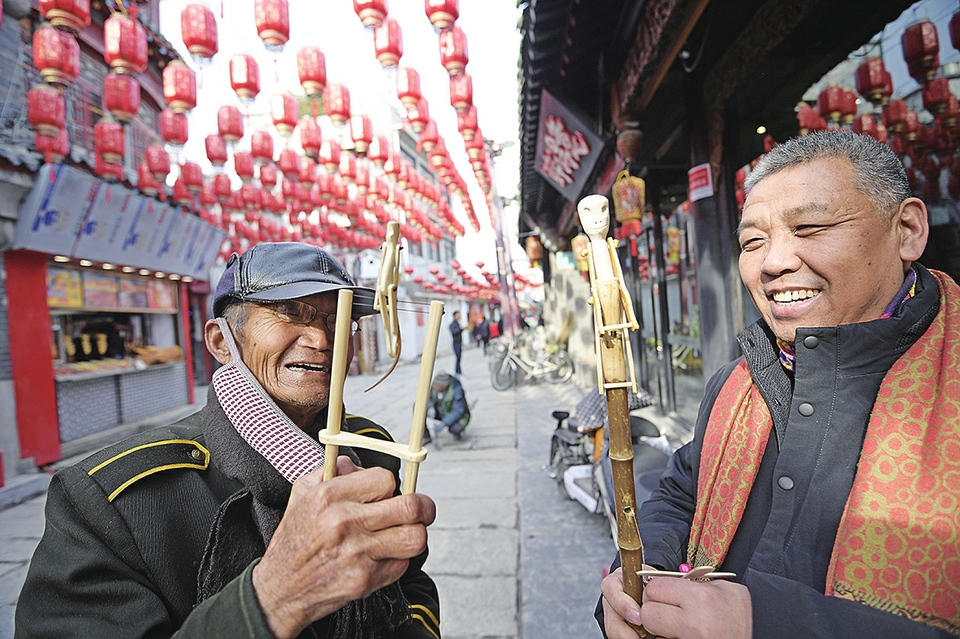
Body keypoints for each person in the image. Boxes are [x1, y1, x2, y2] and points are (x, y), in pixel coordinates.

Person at [598, 130, 960, 639]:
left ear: (907, 230)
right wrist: (638, 575)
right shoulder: (738, 381)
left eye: (809, 227)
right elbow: (682, 490)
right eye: (752, 241)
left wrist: (768, 624)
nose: (773, 263)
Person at [16, 243, 440, 639]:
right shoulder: (109, 499)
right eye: (293, 313)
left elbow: (411, 584)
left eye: (340, 320)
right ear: (221, 341)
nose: (324, 340)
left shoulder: (369, 451)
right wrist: (274, 598)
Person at [422, 373, 471, 448]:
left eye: (437, 386)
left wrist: (444, 423)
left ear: (443, 386)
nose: (434, 387)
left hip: (453, 414)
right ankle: (426, 436)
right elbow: (429, 398)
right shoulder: (435, 387)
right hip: (439, 411)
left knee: (456, 428)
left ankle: (457, 433)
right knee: (418, 408)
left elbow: (458, 411)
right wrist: (430, 407)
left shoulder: (456, 389)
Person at [449, 310, 464, 374]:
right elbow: (454, 332)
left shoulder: (458, 323)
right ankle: (457, 371)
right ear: (454, 316)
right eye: (458, 315)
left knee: (459, 357)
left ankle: (458, 370)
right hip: (456, 343)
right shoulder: (452, 325)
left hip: (459, 342)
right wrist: (460, 329)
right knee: (457, 357)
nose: (459, 316)